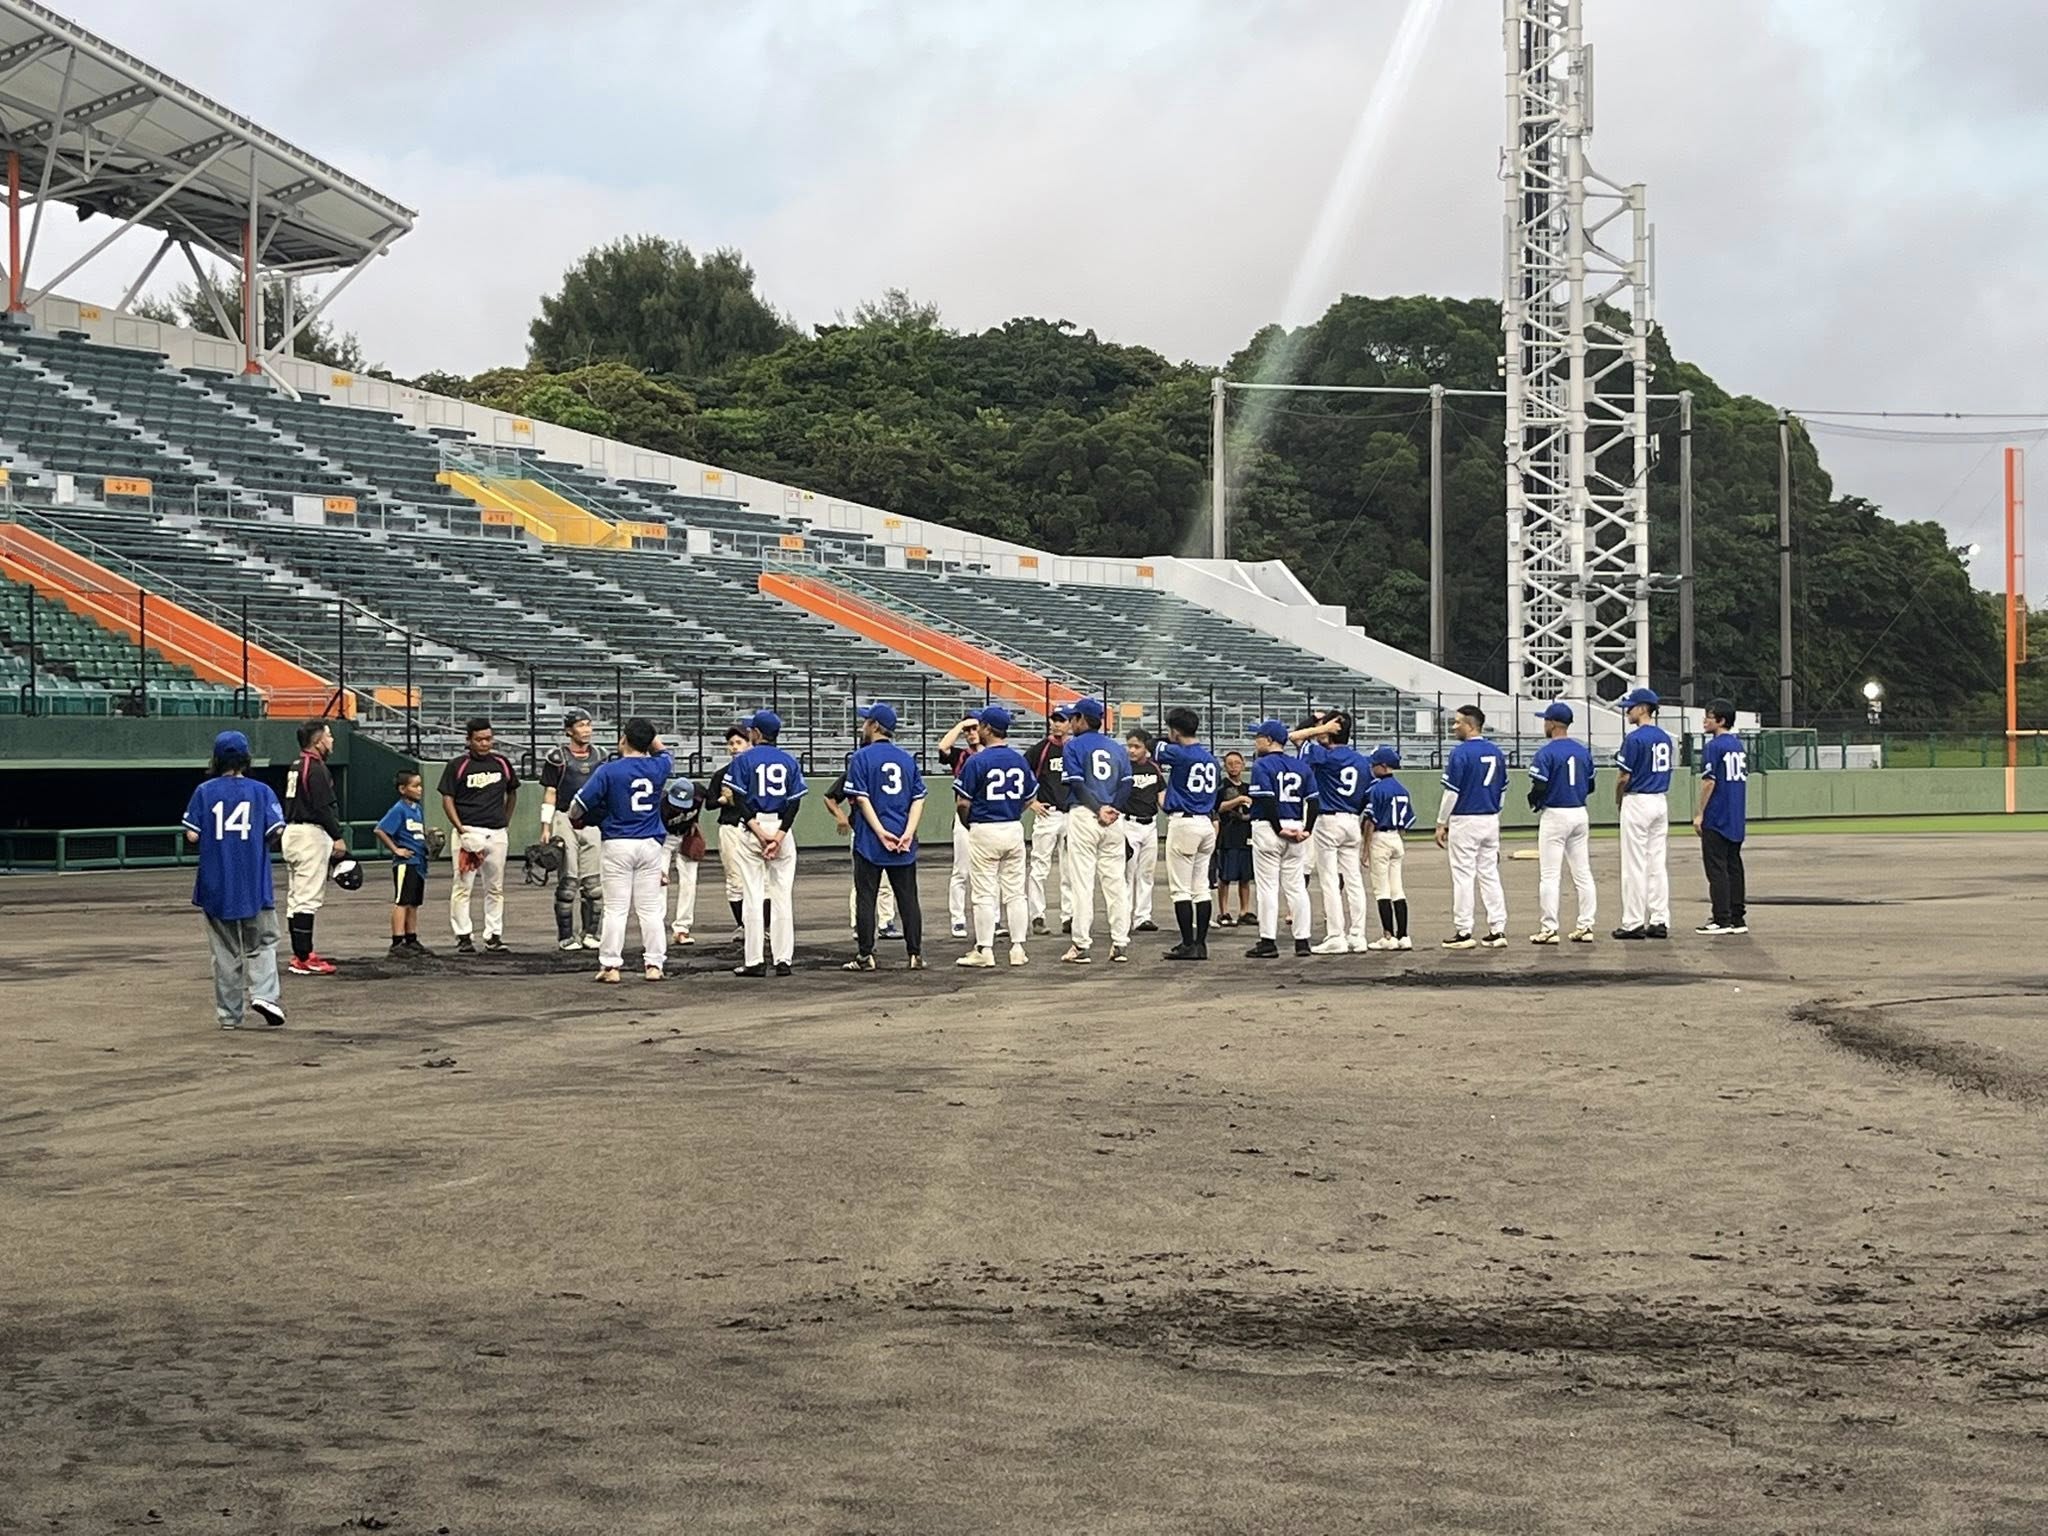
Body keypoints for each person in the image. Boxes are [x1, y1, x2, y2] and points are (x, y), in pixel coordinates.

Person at [182, 730, 287, 1030]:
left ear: (216, 759)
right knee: (263, 941)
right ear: (245, 758)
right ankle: (265, 994)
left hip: (215, 884)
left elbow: (192, 834)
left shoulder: (204, 791)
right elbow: (276, 831)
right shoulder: (262, 791)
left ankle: (229, 1016)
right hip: (254, 883)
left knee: (224, 953)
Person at [569, 716, 673, 983]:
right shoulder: (659, 766)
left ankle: (611, 966)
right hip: (650, 843)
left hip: (617, 843)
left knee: (616, 908)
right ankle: (654, 965)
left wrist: (580, 818)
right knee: (650, 909)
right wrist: (649, 737)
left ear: (623, 739)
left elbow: (577, 807)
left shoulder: (608, 770)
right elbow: (661, 751)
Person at [842, 701, 928, 972]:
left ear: (875, 726)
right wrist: (907, 833)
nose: (863, 726)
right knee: (908, 899)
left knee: (866, 897)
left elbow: (862, 799)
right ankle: (915, 954)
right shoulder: (906, 758)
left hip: (871, 839)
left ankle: (865, 955)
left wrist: (880, 832)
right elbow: (918, 799)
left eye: (866, 721)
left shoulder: (860, 757)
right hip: (903, 838)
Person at [953, 705, 1037, 968]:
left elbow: (962, 803)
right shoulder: (1019, 759)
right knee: (1015, 893)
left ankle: (985, 950)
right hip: (1012, 827)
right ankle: (1018, 949)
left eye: (981, 726)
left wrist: (970, 825)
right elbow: (1030, 797)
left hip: (984, 828)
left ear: (987, 729)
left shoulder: (976, 761)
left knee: (984, 893)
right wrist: (1012, 811)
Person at [725, 709, 807, 977]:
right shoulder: (789, 761)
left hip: (754, 827)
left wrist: (760, 834)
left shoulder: (744, 760)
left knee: (753, 895)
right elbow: (794, 803)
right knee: (782, 897)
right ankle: (783, 960)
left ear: (757, 733)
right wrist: (780, 835)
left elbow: (739, 801)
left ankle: (755, 960)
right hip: (782, 827)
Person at [1291, 712, 1373, 954]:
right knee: (1354, 881)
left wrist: (1319, 728)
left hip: (1328, 820)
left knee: (1329, 881)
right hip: (1351, 819)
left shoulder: (1324, 755)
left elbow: (1294, 737)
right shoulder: (1361, 760)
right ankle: (1358, 935)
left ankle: (1336, 935)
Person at [1059, 697, 1133, 964]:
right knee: (1116, 883)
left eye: (1073, 718)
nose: (1070, 723)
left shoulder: (1073, 746)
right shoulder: (1116, 747)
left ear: (1081, 719)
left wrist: (1098, 809)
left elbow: (1077, 784)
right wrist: (1112, 808)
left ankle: (1081, 945)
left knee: (1082, 882)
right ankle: (1120, 943)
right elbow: (1127, 784)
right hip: (1114, 818)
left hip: (1085, 814)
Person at [439, 717, 519, 955]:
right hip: (469, 831)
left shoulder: (502, 763)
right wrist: (460, 828)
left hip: (496, 831)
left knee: (495, 887)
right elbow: (447, 798)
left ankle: (494, 935)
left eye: (488, 739)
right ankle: (463, 935)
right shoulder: (458, 765)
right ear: (469, 740)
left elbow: (512, 791)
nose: (485, 744)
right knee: (463, 886)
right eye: (479, 739)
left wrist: (505, 821)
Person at [1435, 705, 1508, 949]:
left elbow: (1451, 793)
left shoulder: (1461, 753)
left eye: (1457, 722)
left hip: (1465, 819)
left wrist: (1441, 822)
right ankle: (1498, 929)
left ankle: (1464, 931)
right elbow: (1503, 791)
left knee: (1463, 876)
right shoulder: (1496, 752)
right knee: (1489, 874)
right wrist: (1495, 815)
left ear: (1470, 725)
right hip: (1490, 818)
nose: (1454, 726)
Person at [539, 707, 610, 953]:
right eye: (581, 725)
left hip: (592, 819)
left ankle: (591, 933)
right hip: (564, 817)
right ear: (569, 730)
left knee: (593, 885)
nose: (587, 730)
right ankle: (566, 937)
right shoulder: (557, 758)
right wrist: (546, 826)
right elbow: (550, 791)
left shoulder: (601, 756)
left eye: (589, 725)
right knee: (568, 883)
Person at [1526, 701, 1597, 945]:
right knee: (1583, 873)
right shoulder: (1583, 751)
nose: (1544, 724)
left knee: (1549, 875)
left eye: (1546, 720)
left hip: (1555, 814)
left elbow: (1540, 786)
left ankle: (1549, 928)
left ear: (1554, 723)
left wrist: (1534, 800)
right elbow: (1591, 786)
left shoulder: (1546, 752)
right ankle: (1586, 926)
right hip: (1579, 813)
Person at [1246, 718, 1317, 958]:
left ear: (1269, 740)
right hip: (1296, 825)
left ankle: (1268, 941)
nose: (1255, 741)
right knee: (1296, 887)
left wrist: (1277, 829)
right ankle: (1302, 941)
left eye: (1258, 737)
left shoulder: (1261, 765)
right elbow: (1314, 801)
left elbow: (1265, 800)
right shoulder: (1300, 766)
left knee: (1267, 887)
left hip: (1269, 827)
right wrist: (1307, 829)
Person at [281, 719, 347, 976]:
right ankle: (304, 957)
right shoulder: (316, 768)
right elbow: (322, 808)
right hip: (310, 833)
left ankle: (300, 953)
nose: (332, 741)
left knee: (296, 898)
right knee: (307, 898)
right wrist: (337, 837)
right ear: (318, 742)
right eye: (329, 736)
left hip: (293, 831)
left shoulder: (296, 764)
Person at [1155, 707, 1221, 961]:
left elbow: (1152, 746)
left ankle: (1187, 943)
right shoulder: (1210, 758)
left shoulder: (1180, 753)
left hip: (1184, 823)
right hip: (1206, 822)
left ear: (1176, 730)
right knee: (1201, 888)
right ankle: (1201, 944)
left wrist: (1168, 738)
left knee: (1181, 890)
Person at [1612, 686, 1674, 940]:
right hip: (1660, 801)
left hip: (1638, 800)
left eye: (1631, 706)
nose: (1627, 710)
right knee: (1656, 864)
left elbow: (1624, 776)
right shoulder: (1665, 737)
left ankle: (1633, 922)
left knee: (1634, 864)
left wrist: (1618, 799)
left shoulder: (1635, 738)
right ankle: (1659, 919)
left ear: (1643, 708)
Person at [825, 754, 898, 941]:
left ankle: (886, 922)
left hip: (888, 832)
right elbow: (830, 797)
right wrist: (840, 816)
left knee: (886, 881)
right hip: (863, 832)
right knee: (862, 882)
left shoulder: (887, 769)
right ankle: (859, 924)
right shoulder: (857, 770)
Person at [1694, 699, 1750, 935]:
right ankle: (1737, 918)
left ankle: (1721, 918)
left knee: (1716, 868)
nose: (1705, 720)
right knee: (1734, 866)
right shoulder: (1738, 745)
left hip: (1718, 815)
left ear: (1721, 720)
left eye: (1710, 716)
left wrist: (1700, 813)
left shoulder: (1715, 746)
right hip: (1736, 815)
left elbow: (1709, 781)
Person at [372, 769, 433, 957]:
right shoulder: (399, 809)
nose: (419, 789)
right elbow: (380, 830)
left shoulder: (417, 809)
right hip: (406, 862)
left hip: (418, 861)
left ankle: (411, 939)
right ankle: (397, 941)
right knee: (402, 902)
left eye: (420, 785)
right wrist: (396, 849)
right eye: (415, 786)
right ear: (402, 789)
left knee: (414, 903)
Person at [1362, 744, 1414, 950]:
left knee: (1381, 890)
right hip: (1396, 838)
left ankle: (1388, 936)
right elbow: (1406, 822)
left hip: (1380, 838)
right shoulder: (1402, 789)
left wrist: (1365, 849)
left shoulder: (1376, 789)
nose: (1371, 768)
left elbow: (1370, 821)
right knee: (1397, 889)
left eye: (1374, 764)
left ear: (1383, 766)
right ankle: (1404, 936)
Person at [1025, 707, 1072, 936]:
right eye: (1054, 720)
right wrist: (1030, 802)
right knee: (1039, 867)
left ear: (1070, 723)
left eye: (1061, 720)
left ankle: (1069, 916)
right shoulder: (1040, 750)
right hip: (1048, 813)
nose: (1056, 724)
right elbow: (1022, 774)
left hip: (1071, 814)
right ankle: (1038, 916)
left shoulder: (1074, 749)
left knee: (1070, 868)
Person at [936, 715, 984, 938]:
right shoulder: (961, 755)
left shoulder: (993, 753)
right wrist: (959, 726)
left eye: (975, 728)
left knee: (989, 872)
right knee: (962, 871)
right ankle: (958, 919)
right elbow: (943, 747)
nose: (971, 733)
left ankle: (993, 917)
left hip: (987, 816)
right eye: (968, 730)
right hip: (965, 817)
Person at [705, 725, 753, 942]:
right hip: (730, 827)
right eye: (731, 743)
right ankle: (742, 925)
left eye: (739, 742)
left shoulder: (756, 771)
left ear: (749, 744)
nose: (734, 747)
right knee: (735, 879)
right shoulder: (721, 774)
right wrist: (724, 800)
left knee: (761, 880)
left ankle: (763, 924)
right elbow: (710, 804)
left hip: (754, 828)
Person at [1122, 730, 1163, 933]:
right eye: (1129, 745)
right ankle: (1124, 915)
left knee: (1146, 873)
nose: (1131, 750)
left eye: (1136, 746)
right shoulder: (1123, 767)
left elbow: (1161, 795)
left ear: (1146, 747)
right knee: (1128, 873)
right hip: (1129, 823)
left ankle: (1143, 916)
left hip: (1151, 824)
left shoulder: (1154, 768)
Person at [660, 775, 705, 946]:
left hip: (686, 836)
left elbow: (705, 802)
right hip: (662, 840)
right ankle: (656, 927)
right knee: (660, 882)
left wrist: (695, 822)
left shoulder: (699, 792)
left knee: (689, 883)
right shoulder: (661, 804)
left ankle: (682, 928)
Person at [1212, 751, 1254, 925]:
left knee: (1245, 876)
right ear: (1224, 766)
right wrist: (1238, 800)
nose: (1234, 767)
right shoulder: (1221, 788)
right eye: (1230, 763)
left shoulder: (1248, 787)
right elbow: (1218, 807)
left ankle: (1245, 910)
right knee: (1225, 876)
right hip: (1228, 835)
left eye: (1237, 763)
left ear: (1243, 764)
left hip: (1246, 835)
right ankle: (1224, 911)